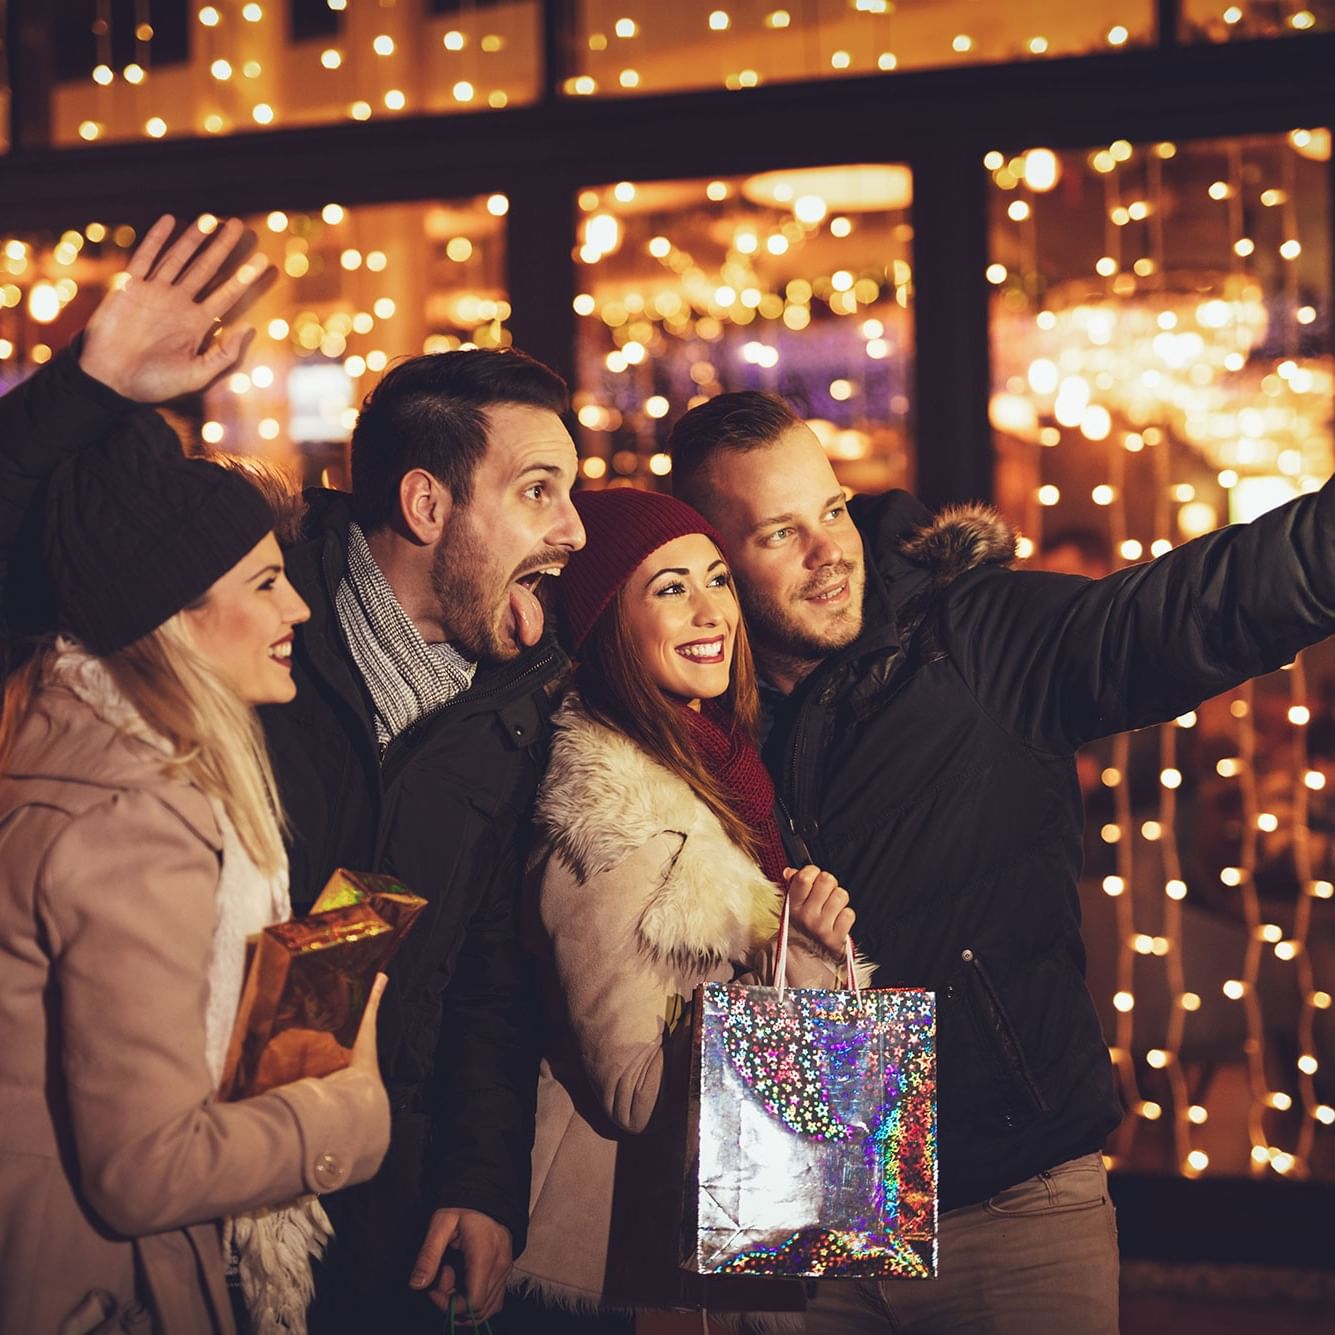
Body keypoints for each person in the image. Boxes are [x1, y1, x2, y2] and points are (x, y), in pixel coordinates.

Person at [0, 214, 586, 1331]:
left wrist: (476, 1179)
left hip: (386, 1224)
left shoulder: (525, 697)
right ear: (427, 505)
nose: (571, 530)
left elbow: (483, 980)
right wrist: (88, 384)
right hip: (180, 1225)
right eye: (539, 490)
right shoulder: (222, 615)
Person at [666, 390, 1335, 1334]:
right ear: (714, 562)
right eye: (781, 533)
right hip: (793, 1187)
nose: (829, 551)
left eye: (831, 509)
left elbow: (1197, 607)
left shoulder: (974, 637)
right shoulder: (680, 703)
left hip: (1014, 1203)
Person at [0, 415, 390, 1334]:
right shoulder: (132, 817)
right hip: (100, 1293)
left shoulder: (90, 755)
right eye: (263, 582)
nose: (297, 607)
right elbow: (146, 1168)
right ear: (171, 615)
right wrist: (349, 1115)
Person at [508, 489, 867, 1332]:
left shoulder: (725, 764)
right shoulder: (616, 821)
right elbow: (633, 1091)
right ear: (605, 623)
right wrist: (797, 961)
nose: (712, 610)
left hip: (719, 1248)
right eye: (669, 588)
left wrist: (797, 951)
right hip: (643, 1276)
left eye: (716, 579)